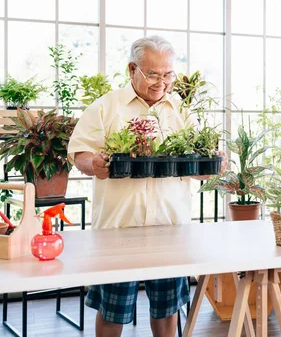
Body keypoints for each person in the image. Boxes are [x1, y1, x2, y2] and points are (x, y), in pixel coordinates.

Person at [67, 35, 227, 337]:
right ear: (131, 69)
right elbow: (80, 153)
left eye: (167, 74)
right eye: (152, 74)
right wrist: (94, 164)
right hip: (118, 230)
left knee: (167, 312)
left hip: (170, 229)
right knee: (113, 312)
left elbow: (196, 166)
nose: (161, 82)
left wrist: (213, 162)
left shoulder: (180, 109)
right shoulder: (106, 106)